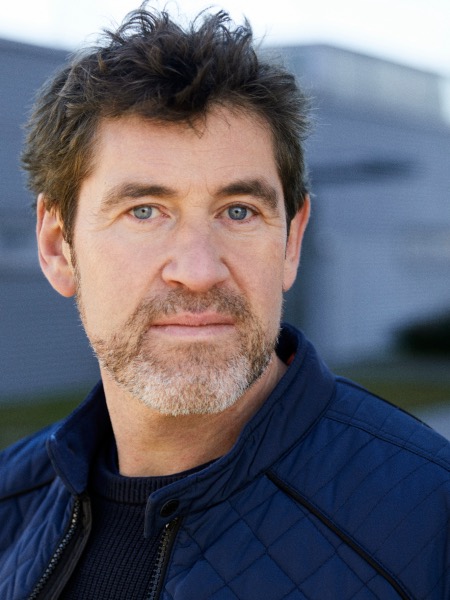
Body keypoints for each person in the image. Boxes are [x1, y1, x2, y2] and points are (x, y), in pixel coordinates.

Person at [1, 6, 449, 599]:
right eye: (144, 212)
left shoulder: (431, 520)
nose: (198, 272)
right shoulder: (10, 502)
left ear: (291, 241)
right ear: (58, 245)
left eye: (239, 211)